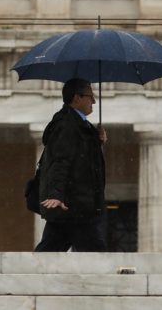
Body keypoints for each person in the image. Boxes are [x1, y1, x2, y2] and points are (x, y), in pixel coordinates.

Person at [35, 78, 107, 252]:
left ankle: (25, 278)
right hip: (75, 205)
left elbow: (82, 160)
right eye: (90, 97)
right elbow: (61, 161)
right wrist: (56, 194)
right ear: (77, 98)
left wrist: (98, 141)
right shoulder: (67, 125)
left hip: (74, 206)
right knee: (97, 255)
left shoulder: (78, 125)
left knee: (49, 251)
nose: (94, 101)